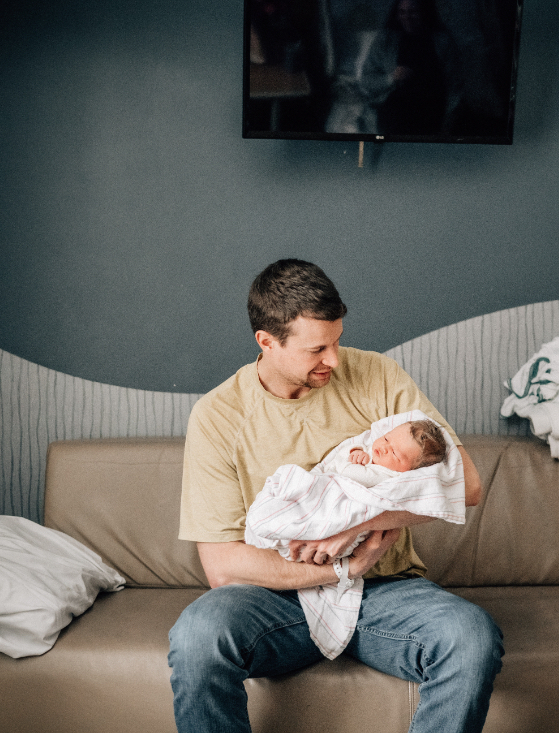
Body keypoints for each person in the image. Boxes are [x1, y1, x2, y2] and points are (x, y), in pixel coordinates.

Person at [168, 259, 503, 733]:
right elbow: (222, 566)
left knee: (470, 637)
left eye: (338, 340)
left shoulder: (380, 376)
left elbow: (466, 486)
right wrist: (339, 567)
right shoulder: (218, 416)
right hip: (275, 599)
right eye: (317, 349)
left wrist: (360, 524)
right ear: (267, 342)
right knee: (198, 636)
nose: (335, 360)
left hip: (384, 589)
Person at [358, 0, 462, 136]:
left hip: (432, 110)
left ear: (424, 13)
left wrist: (448, 122)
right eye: (402, 12)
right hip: (396, 111)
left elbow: (455, 85)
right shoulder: (386, 40)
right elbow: (366, 80)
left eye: (413, 12)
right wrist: (391, 78)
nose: (407, 17)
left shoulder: (443, 41)